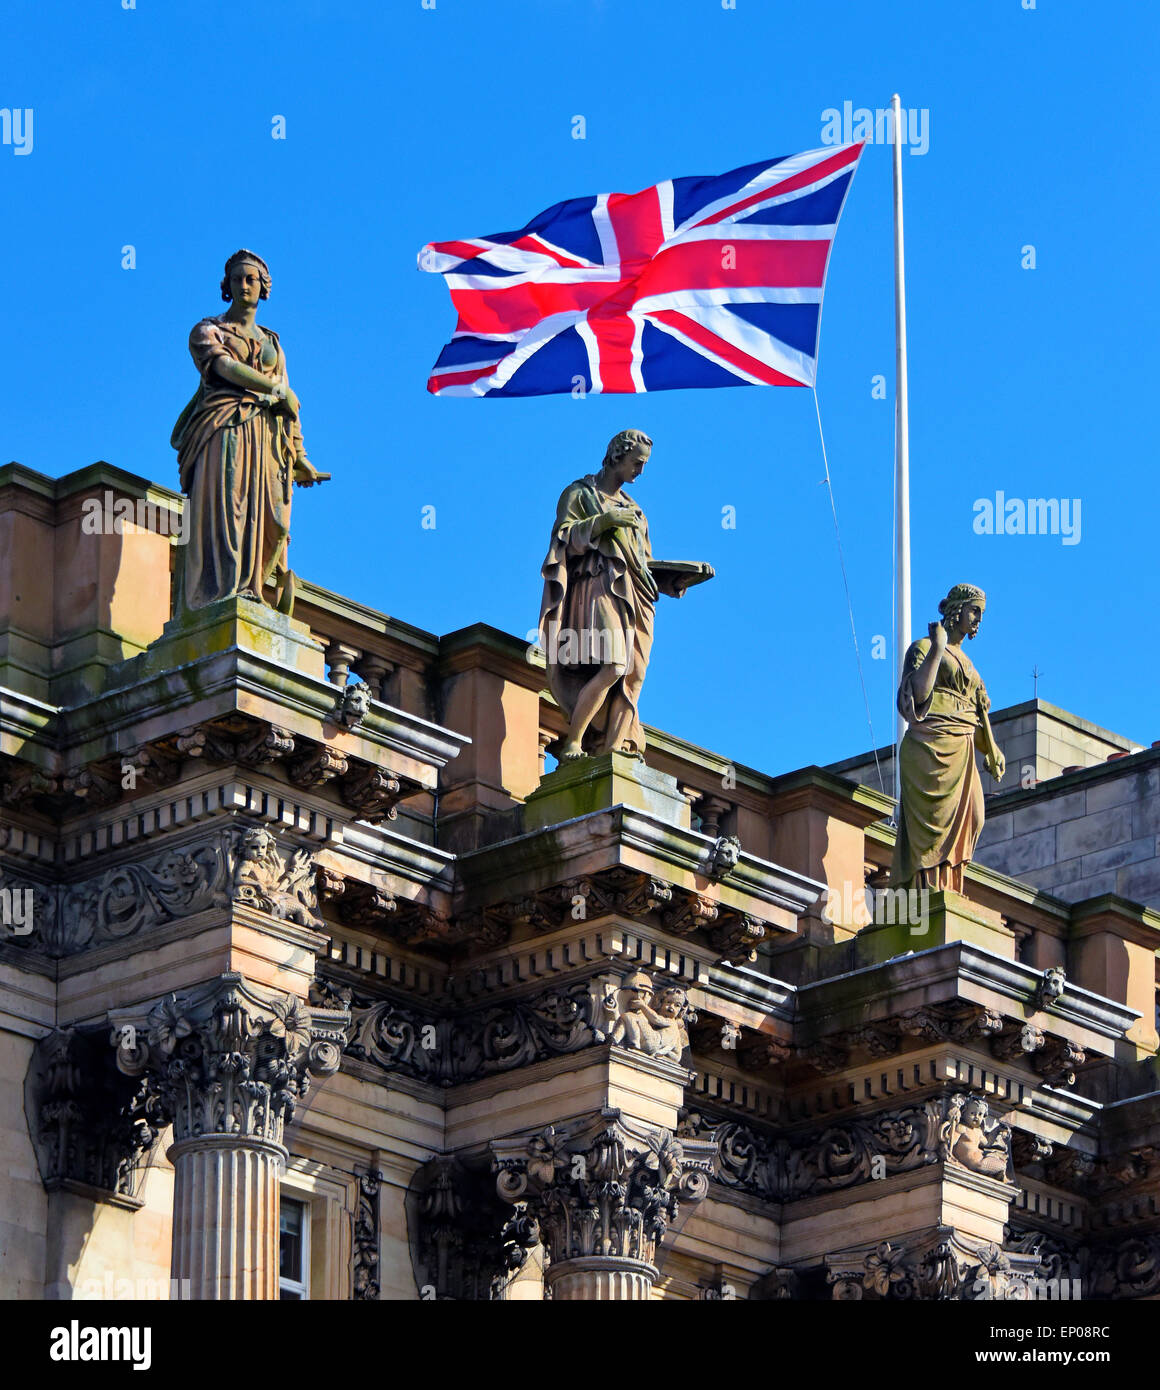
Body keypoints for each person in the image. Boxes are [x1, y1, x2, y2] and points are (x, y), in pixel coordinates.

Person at [171, 250, 327, 616]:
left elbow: (291, 403)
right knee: (229, 510)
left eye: (251, 279)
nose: (244, 285)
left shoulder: (273, 342)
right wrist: (274, 392)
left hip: (268, 438)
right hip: (224, 429)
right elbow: (224, 367)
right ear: (226, 286)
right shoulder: (208, 330)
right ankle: (223, 592)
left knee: (270, 518)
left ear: (263, 288)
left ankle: (255, 586)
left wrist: (300, 456)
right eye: (238, 279)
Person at [538, 430, 693, 760]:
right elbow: (562, 539)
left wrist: (672, 580)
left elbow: (643, 563)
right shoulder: (580, 494)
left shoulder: (636, 512)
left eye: (644, 464)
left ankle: (612, 751)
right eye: (637, 462)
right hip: (597, 587)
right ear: (617, 456)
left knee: (632, 675)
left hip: (637, 598)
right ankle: (573, 743)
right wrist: (602, 523)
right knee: (614, 665)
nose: (641, 471)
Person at [892, 583, 1005, 893]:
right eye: (974, 610)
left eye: (982, 613)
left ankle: (951, 886)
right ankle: (925, 889)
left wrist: (993, 749)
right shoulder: (923, 648)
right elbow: (916, 697)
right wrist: (938, 648)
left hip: (963, 749)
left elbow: (977, 727)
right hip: (929, 745)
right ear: (957, 609)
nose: (979, 618)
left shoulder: (972, 669)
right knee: (932, 823)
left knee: (976, 818)